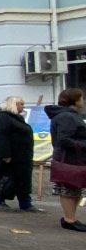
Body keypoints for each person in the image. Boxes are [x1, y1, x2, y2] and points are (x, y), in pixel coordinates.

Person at [0, 96, 41, 212]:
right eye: (20, 104)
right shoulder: (2, 118)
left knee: (22, 180)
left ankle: (25, 203)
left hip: (21, 157)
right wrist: (5, 154)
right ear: (12, 105)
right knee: (4, 178)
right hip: (9, 157)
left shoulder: (16, 118)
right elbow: (1, 137)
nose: (23, 106)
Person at [46, 88, 86, 232]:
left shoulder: (72, 115)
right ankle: (69, 219)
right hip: (68, 158)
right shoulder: (66, 116)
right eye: (81, 98)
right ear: (74, 100)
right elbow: (64, 139)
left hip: (75, 158)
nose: (83, 100)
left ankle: (72, 218)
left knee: (75, 189)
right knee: (68, 189)